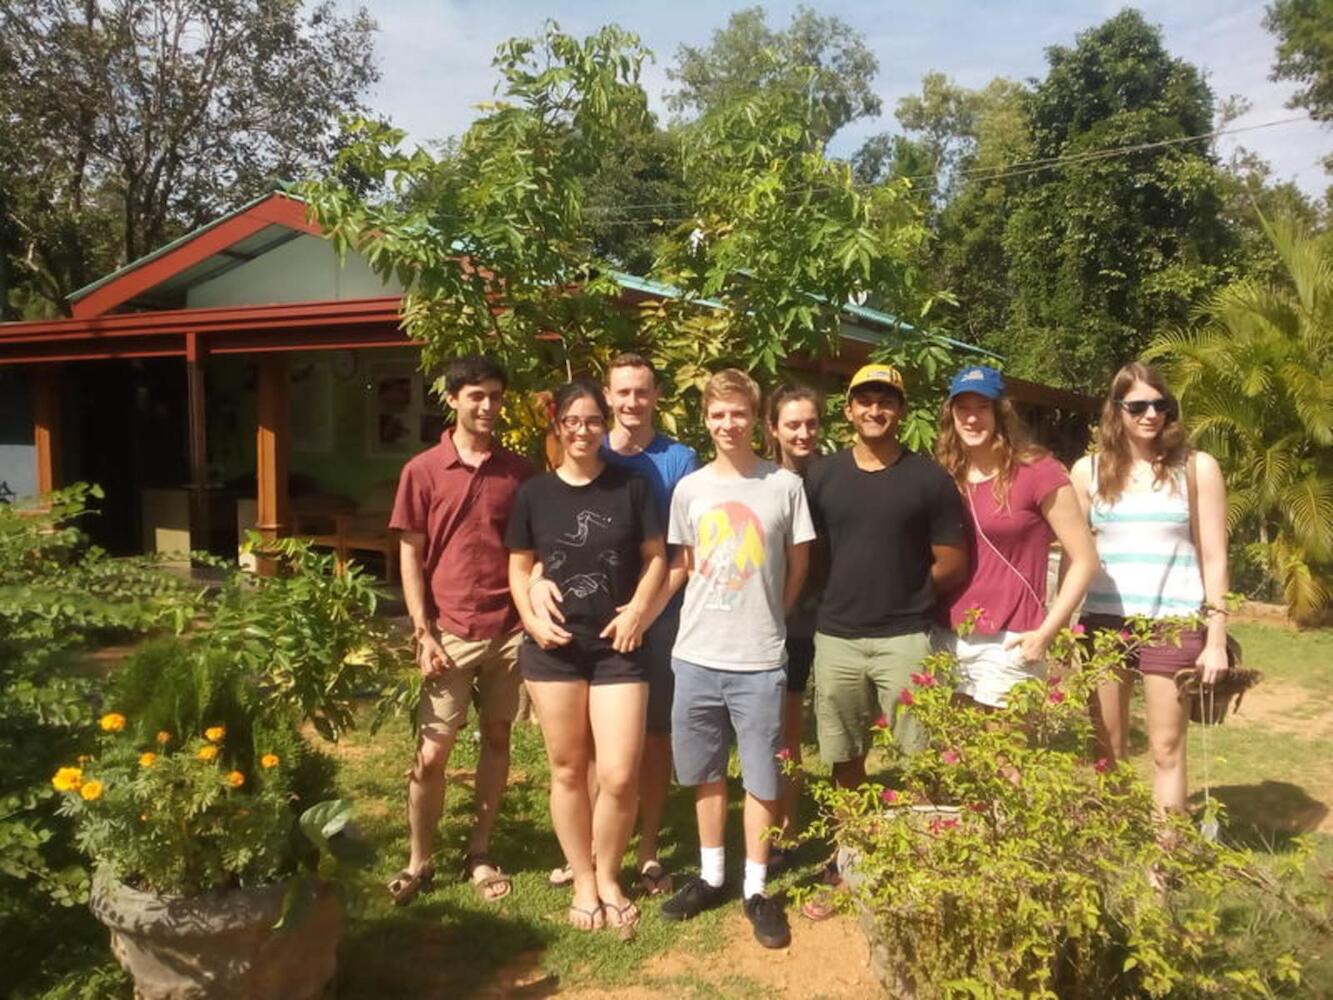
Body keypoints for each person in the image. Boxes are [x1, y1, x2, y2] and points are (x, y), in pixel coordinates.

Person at [650, 369, 813, 949]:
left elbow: (797, 566)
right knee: (705, 771)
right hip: (695, 655)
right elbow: (685, 564)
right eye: (718, 414)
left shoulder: (783, 487)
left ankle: (756, 888)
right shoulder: (690, 489)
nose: (728, 424)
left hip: (760, 658)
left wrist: (774, 617)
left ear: (755, 418)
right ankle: (713, 876)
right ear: (706, 418)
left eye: (738, 413)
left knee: (763, 775)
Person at [505, 379, 667, 935]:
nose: (582, 430)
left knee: (620, 774)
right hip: (554, 649)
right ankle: (582, 878)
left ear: (605, 425)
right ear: (557, 427)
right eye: (571, 421)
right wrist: (530, 612)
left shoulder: (632, 486)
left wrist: (639, 611)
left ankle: (609, 875)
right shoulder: (534, 494)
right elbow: (520, 566)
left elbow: (655, 559)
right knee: (569, 769)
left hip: (619, 647)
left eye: (592, 421)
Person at [532, 353, 697, 896]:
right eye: (621, 393)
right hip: (597, 624)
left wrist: (640, 615)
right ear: (607, 396)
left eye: (641, 392)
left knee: (650, 739)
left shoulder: (679, 459)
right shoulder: (588, 450)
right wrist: (535, 581)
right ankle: (595, 853)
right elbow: (554, 539)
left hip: (662, 615)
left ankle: (647, 849)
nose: (631, 403)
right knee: (595, 746)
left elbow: (678, 554)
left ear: (655, 396)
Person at [386, 356, 534, 907]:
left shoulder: (519, 473)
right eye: (476, 396)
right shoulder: (422, 471)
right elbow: (410, 554)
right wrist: (422, 632)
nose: (488, 406)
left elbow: (530, 552)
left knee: (498, 738)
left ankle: (480, 850)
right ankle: (419, 860)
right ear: (452, 400)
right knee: (433, 751)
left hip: (508, 631)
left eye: (495, 396)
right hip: (448, 632)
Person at [1069, 361, 1229, 815]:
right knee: (1108, 748)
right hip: (1103, 622)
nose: (1150, 415)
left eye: (1160, 404)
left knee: (1166, 749)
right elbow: (1075, 555)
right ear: (1116, 410)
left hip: (1172, 623)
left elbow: (1215, 557)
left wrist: (1215, 639)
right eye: (1137, 405)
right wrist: (1064, 628)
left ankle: (1161, 868)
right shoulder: (1087, 473)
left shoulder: (1198, 469)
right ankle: (1117, 845)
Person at [805, 363, 968, 788]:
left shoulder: (930, 479)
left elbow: (952, 560)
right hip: (837, 636)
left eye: (886, 401)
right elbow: (812, 555)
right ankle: (850, 847)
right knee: (843, 753)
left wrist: (906, 592)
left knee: (921, 750)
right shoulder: (822, 476)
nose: (874, 410)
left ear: (901, 411)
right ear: (848, 410)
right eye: (865, 401)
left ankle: (924, 846)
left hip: (905, 638)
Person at [932, 365, 1098, 707]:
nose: (972, 418)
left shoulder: (1038, 471)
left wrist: (1048, 632)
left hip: (1011, 640)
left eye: (982, 407)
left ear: (1000, 412)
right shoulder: (945, 475)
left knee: (1005, 759)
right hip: (948, 635)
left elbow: (1084, 559)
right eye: (963, 408)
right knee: (953, 755)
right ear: (951, 414)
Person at [765, 384, 823, 864]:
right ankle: (773, 823)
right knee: (775, 731)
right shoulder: (761, 481)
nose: (803, 433)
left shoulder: (833, 477)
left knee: (790, 731)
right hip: (771, 622)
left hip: (817, 621)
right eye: (792, 424)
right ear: (774, 429)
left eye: (811, 423)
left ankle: (786, 828)